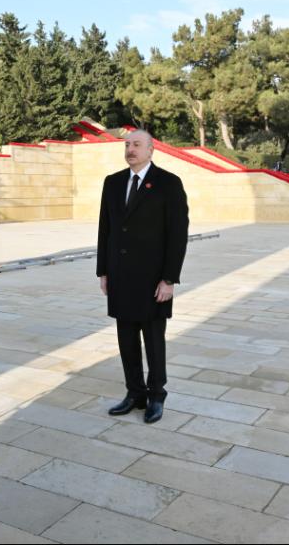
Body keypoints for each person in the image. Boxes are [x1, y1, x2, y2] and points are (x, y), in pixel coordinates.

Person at [96, 129, 188, 423]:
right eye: (127, 144)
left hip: (152, 280)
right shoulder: (113, 183)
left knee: (153, 340)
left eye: (136, 144)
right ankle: (134, 393)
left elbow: (177, 236)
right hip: (121, 277)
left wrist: (169, 279)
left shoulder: (168, 184)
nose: (130, 149)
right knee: (126, 340)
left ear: (151, 150)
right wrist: (104, 271)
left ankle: (156, 395)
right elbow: (105, 230)